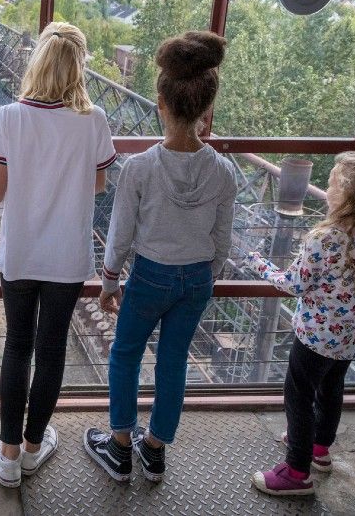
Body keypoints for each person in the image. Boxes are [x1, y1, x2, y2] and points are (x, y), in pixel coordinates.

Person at [0, 22, 117, 488]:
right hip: (67, 258)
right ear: (79, 69)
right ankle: (35, 447)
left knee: (18, 346)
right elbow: (98, 182)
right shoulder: (93, 120)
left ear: (38, 63)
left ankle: (8, 454)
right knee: (51, 350)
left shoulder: (10, 118)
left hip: (22, 252)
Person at [84, 31, 236, 484]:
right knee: (174, 361)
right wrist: (202, 275)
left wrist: (110, 283)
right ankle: (155, 450)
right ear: (207, 110)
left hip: (149, 276)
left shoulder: (140, 168)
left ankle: (119, 447)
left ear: (161, 104)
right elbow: (222, 242)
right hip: (195, 281)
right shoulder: (223, 171)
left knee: (126, 355)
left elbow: (120, 236)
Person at [248, 150, 355, 497]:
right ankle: (319, 449)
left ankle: (296, 473)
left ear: (348, 195)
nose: (326, 190)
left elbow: (294, 284)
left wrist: (262, 266)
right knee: (331, 390)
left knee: (298, 396)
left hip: (316, 337)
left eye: (331, 184)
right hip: (351, 337)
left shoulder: (324, 238)